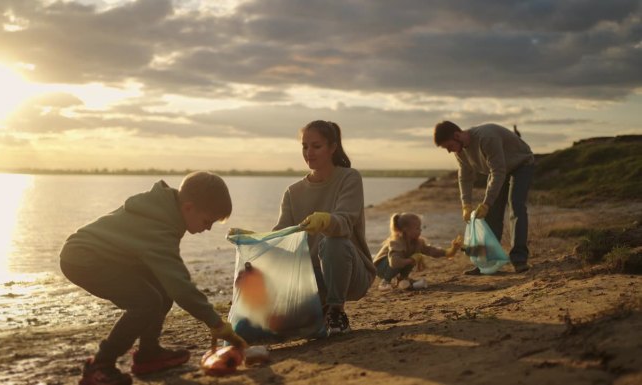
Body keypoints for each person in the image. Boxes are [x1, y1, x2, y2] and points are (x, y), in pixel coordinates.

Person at [59, 171, 247, 385]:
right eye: (207, 221)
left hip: (109, 257)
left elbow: (171, 280)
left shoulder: (166, 211)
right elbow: (181, 286)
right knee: (146, 302)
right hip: (84, 260)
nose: (208, 228)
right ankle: (100, 365)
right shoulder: (161, 226)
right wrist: (216, 323)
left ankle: (148, 354)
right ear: (188, 208)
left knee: (162, 289)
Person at [272, 120, 376, 336]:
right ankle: (320, 311)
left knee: (332, 241)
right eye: (304, 146)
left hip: (350, 272)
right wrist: (252, 241)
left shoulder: (349, 177)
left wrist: (326, 221)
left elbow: (345, 223)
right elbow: (281, 236)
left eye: (316, 146)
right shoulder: (292, 192)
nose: (309, 152)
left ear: (332, 147)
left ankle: (336, 311)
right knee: (281, 328)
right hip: (312, 280)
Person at [433, 121, 535, 275]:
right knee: (491, 214)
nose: (448, 151)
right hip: (499, 169)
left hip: (521, 164)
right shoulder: (460, 151)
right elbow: (465, 177)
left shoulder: (486, 138)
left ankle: (519, 260)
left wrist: (486, 203)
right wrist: (466, 204)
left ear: (457, 135)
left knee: (516, 208)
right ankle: (487, 263)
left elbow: (498, 171)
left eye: (448, 146)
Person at [373, 212, 462, 290]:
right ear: (406, 230)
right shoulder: (396, 242)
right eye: (417, 228)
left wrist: (450, 251)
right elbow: (394, 263)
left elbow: (431, 250)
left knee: (414, 256)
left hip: (397, 263)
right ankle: (385, 282)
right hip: (381, 267)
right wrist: (412, 259)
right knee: (408, 257)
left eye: (420, 228)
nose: (420, 230)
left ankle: (403, 278)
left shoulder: (417, 242)